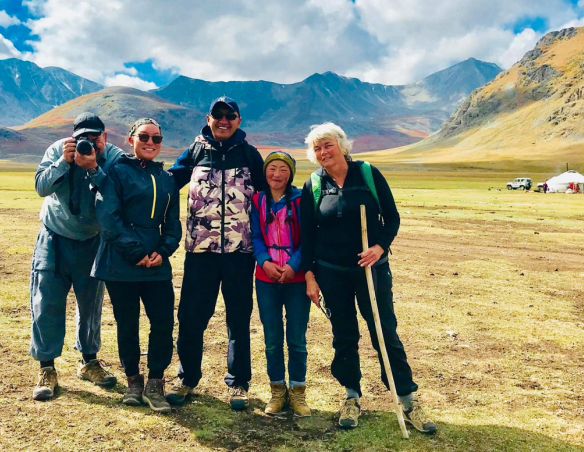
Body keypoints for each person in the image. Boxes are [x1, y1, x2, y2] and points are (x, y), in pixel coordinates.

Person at [300, 122, 437, 434]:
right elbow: (307, 234)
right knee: (344, 334)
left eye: (328, 145)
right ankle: (351, 396)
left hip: (371, 270)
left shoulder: (368, 174)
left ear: (343, 146)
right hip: (332, 272)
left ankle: (406, 399)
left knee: (384, 331)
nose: (323, 152)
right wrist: (310, 274)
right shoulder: (314, 184)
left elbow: (392, 218)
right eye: (317, 148)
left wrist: (379, 247)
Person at [166, 96, 265, 410]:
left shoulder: (250, 154)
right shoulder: (195, 152)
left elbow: (268, 199)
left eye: (230, 115)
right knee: (191, 318)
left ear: (238, 120)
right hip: (200, 252)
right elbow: (165, 185)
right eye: (217, 115)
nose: (224, 120)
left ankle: (238, 383)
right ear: (208, 118)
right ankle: (187, 379)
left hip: (240, 253)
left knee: (238, 319)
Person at [29, 112, 123, 401]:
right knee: (46, 302)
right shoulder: (59, 150)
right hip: (54, 237)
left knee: (90, 305)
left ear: (105, 137)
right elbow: (40, 187)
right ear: (74, 136)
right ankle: (47, 368)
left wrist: (94, 168)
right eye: (84, 137)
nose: (90, 143)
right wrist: (64, 162)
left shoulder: (115, 158)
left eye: (96, 137)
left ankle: (89, 362)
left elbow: (117, 195)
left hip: (93, 241)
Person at [93, 118, 181, 413]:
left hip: (156, 263)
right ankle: (133, 380)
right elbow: (108, 218)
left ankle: (155, 382)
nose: (150, 143)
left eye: (156, 138)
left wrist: (164, 250)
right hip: (121, 262)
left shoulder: (167, 178)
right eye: (144, 136)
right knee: (127, 324)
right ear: (131, 139)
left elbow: (173, 223)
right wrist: (135, 252)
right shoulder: (115, 173)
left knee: (163, 323)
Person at [251, 151, 311, 418]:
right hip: (265, 279)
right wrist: (264, 261)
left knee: (296, 339)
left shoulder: (301, 201)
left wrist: (293, 266)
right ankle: (277, 391)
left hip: (296, 280)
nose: (277, 174)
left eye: (283, 169)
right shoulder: (257, 200)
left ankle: (298, 392)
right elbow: (255, 235)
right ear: (265, 172)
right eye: (272, 168)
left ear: (291, 174)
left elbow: (308, 240)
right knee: (273, 339)